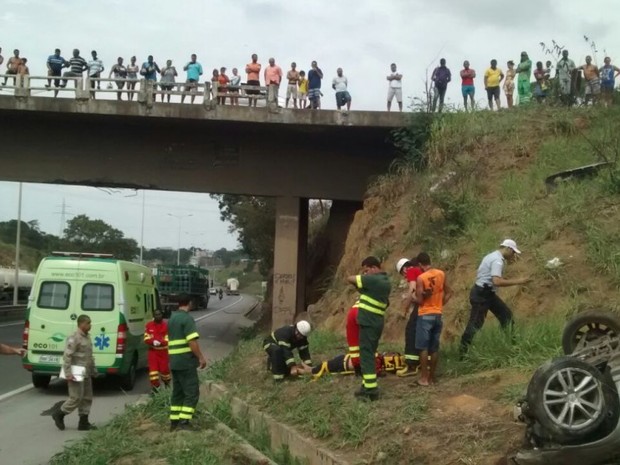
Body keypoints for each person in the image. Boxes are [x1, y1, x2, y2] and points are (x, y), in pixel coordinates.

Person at [460, 239, 530, 354]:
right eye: (513, 252)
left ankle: (513, 346)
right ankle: (463, 352)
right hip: (482, 294)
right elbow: (497, 281)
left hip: (487, 293)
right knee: (475, 323)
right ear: (508, 249)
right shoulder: (497, 260)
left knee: (506, 315)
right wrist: (520, 281)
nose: (513, 256)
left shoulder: (492, 256)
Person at [346, 256, 391, 401]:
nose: (365, 274)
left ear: (373, 268)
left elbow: (350, 278)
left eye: (366, 271)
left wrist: (361, 278)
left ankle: (370, 389)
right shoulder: (382, 282)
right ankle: (367, 385)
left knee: (366, 355)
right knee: (368, 353)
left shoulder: (375, 280)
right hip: (373, 322)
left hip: (369, 323)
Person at [167, 293, 207, 431]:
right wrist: (201, 357)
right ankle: (184, 422)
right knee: (191, 392)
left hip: (174, 362)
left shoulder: (172, 318)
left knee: (177, 393)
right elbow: (192, 342)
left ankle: (174, 422)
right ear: (190, 302)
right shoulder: (187, 319)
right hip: (186, 362)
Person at [51, 315, 98, 431]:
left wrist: (93, 370)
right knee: (75, 398)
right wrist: (68, 373)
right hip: (75, 372)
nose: (90, 325)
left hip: (85, 372)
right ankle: (59, 413)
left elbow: (89, 357)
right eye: (88, 323)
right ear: (81, 324)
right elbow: (67, 356)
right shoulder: (74, 338)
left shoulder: (87, 338)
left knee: (87, 398)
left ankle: (83, 422)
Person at [415, 252, 451, 386]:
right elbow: (450, 292)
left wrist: (413, 297)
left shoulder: (421, 278)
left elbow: (419, 300)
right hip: (437, 314)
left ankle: (424, 378)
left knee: (423, 347)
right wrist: (440, 305)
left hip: (425, 314)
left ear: (420, 265)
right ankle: (432, 377)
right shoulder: (441, 274)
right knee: (434, 348)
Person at [395, 257, 423, 377]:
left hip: (421, 306)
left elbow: (412, 290)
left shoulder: (411, 271)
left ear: (404, 269)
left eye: (402, 273)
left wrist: (404, 309)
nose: (404, 277)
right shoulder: (420, 270)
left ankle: (412, 364)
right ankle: (423, 361)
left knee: (410, 331)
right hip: (429, 305)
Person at [144, 309, 171, 394]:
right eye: (156, 314)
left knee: (165, 372)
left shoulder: (166, 326)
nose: (158, 316)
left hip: (163, 352)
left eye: (159, 314)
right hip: (153, 352)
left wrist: (161, 342)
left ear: (161, 315)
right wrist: (152, 342)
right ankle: (156, 390)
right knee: (153, 373)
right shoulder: (149, 326)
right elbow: (146, 338)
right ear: (153, 316)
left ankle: (167, 386)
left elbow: (168, 339)